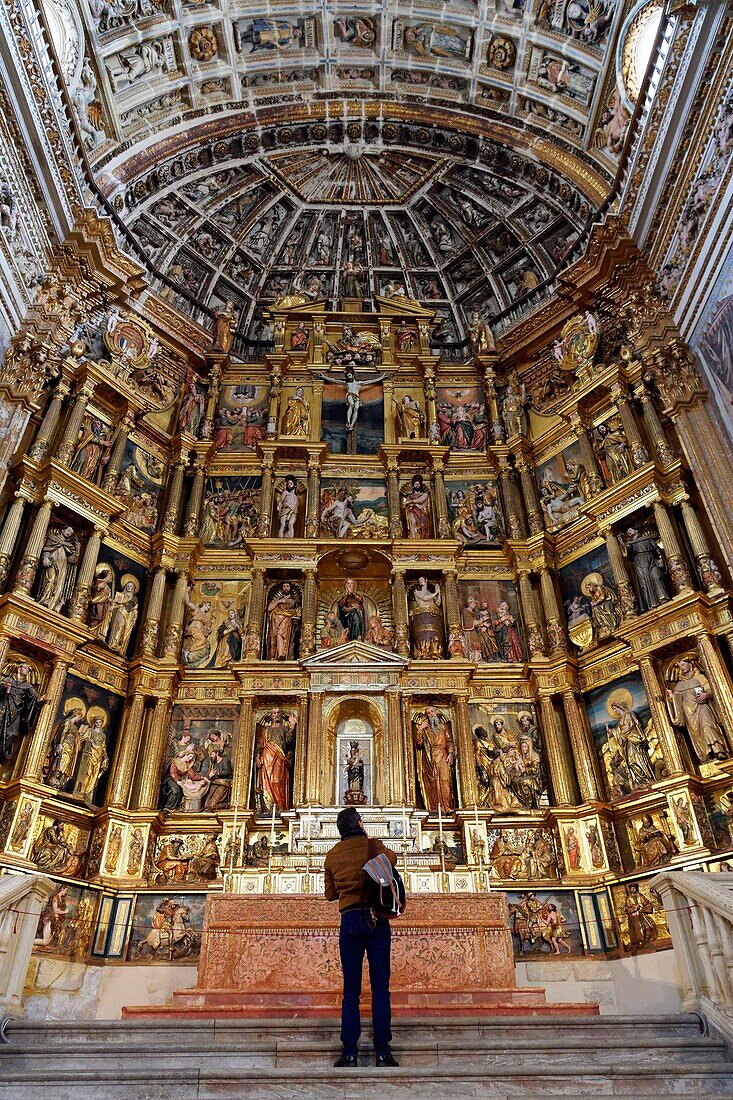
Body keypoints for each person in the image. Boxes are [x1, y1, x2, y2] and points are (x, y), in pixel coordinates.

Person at [324, 808, 399, 1068]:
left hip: (350, 921)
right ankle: (382, 1052)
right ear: (358, 823)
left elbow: (330, 894)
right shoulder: (373, 845)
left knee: (351, 991)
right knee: (380, 989)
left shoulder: (332, 855)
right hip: (376, 919)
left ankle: (349, 1052)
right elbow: (393, 861)